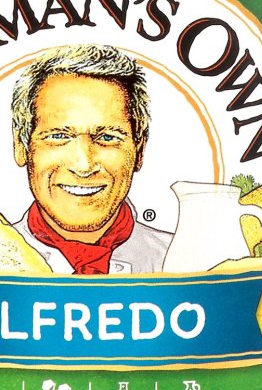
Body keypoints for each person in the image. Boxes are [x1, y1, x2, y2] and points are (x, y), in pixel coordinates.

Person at [9, 44, 171, 274]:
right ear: (21, 146)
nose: (84, 166)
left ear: (139, 149)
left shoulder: (188, 263)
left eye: (107, 137)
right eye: (58, 136)